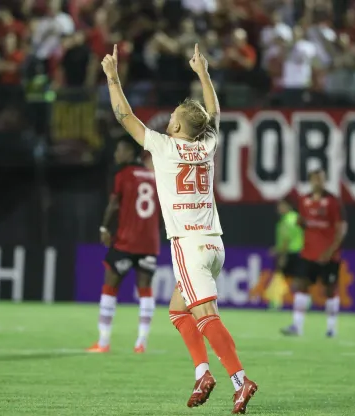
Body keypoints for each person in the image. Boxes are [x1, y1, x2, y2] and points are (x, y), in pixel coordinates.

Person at [100, 43, 258, 414]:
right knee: (177, 310)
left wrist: (112, 78)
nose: (167, 118)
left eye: (172, 115)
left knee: (205, 315)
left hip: (188, 245)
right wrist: (203, 72)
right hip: (214, 245)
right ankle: (203, 373)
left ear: (175, 125)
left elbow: (124, 116)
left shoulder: (164, 147)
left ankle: (240, 379)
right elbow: (214, 113)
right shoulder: (207, 145)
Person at [86, 137, 160, 354]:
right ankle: (141, 343)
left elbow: (114, 204)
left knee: (110, 286)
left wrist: (104, 228)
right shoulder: (154, 177)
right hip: (149, 243)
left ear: (129, 152)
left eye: (119, 150)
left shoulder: (123, 175)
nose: (116, 155)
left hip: (126, 242)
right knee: (145, 290)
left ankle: (103, 341)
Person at [281, 169, 347, 338]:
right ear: (310, 180)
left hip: (328, 255)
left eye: (321, 178)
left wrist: (331, 251)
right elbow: (305, 223)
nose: (318, 181)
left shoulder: (333, 201)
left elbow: (341, 228)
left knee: (330, 290)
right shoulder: (304, 200)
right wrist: (301, 222)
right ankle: (297, 326)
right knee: (302, 286)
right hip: (308, 253)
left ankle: (332, 328)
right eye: (315, 178)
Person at [270, 198, 305, 307]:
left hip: (291, 252)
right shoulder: (297, 218)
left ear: (288, 206)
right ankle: (303, 303)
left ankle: (276, 302)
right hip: (301, 252)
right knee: (298, 279)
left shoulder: (286, 221)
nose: (279, 208)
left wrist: (281, 254)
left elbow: (286, 239)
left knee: (281, 276)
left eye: (281, 205)